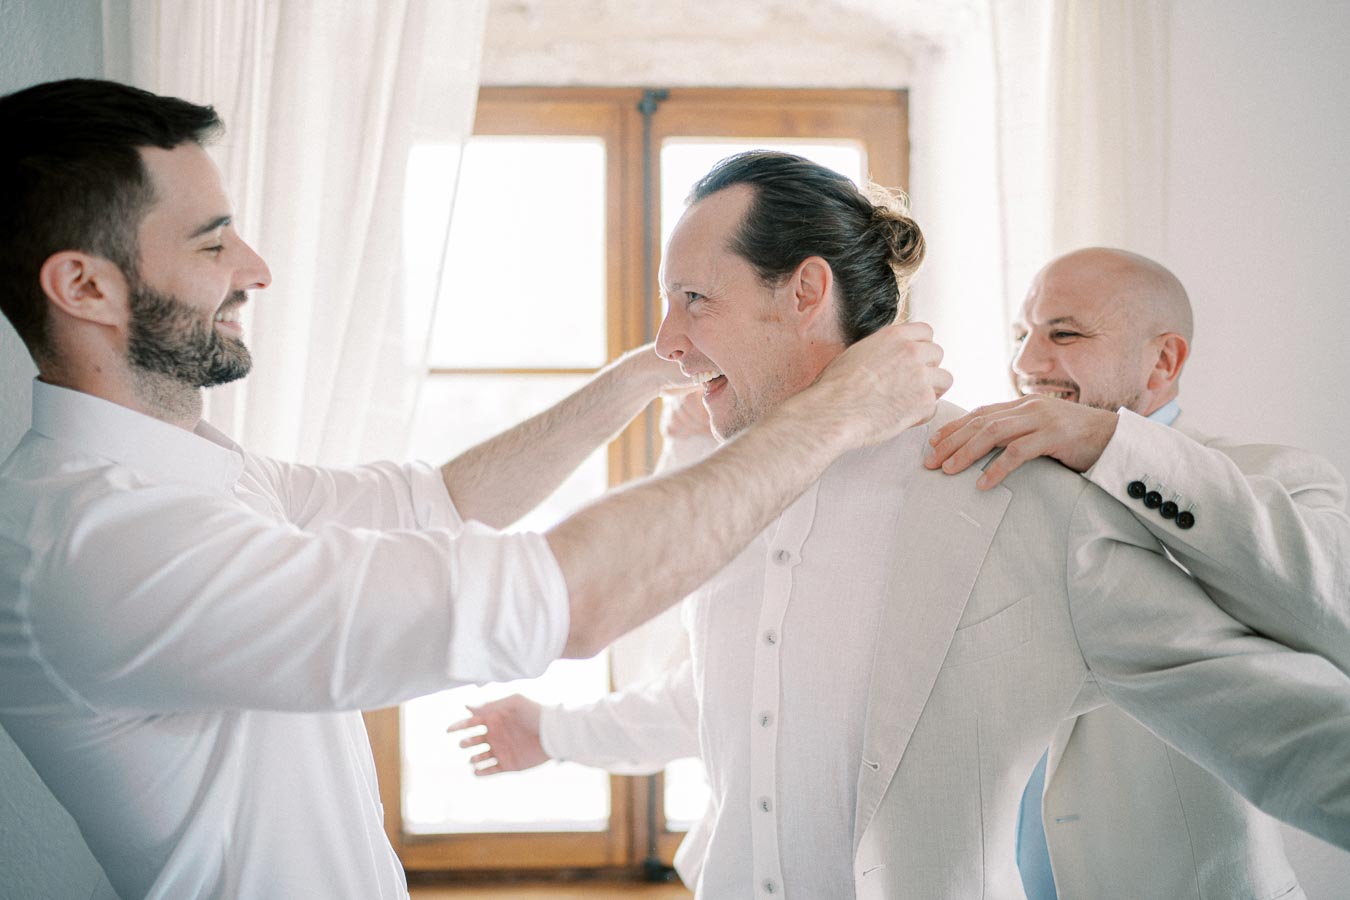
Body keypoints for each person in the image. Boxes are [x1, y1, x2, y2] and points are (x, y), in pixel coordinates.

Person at [0, 79, 953, 899]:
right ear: (84, 287)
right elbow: (564, 601)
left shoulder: (194, 474)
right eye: (212, 246)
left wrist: (642, 374)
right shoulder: (101, 545)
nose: (256, 269)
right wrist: (832, 415)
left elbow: (435, 501)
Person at [449, 151, 1350, 899]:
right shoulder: (725, 496)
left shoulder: (1019, 498)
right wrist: (555, 734)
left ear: (805, 291)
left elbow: (1294, 732)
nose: (668, 343)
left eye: (694, 299)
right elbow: (734, 703)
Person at [919, 246, 1350, 899]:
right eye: (1021, 335)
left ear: (1164, 360)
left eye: (1063, 333)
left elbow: (1335, 609)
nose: (1026, 364)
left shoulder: (1276, 476)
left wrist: (1109, 444)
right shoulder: (990, 486)